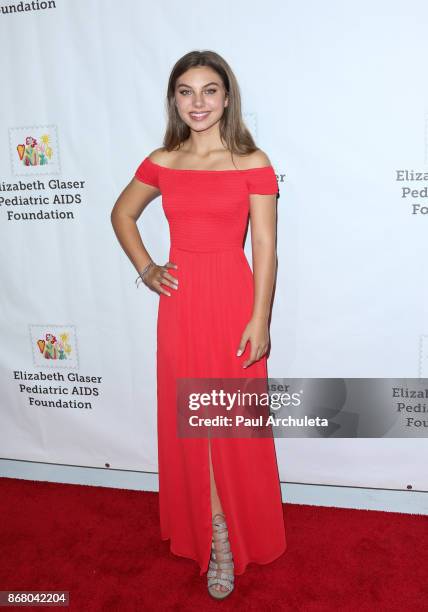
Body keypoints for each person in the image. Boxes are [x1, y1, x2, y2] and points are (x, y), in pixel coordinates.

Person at [111, 49, 286, 600]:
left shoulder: (252, 161)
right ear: (174, 99)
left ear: (227, 97)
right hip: (182, 306)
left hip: (234, 303)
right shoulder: (163, 160)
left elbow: (265, 248)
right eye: (186, 91)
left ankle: (235, 529)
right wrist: (147, 268)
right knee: (193, 421)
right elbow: (122, 213)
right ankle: (215, 536)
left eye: (209, 90)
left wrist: (260, 318)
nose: (198, 102)